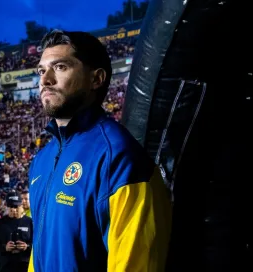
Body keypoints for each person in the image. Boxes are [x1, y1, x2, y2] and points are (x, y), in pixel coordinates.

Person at [27, 30, 172, 272]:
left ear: (96, 79)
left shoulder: (120, 157)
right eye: (42, 71)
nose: (45, 80)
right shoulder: (42, 159)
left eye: (60, 67)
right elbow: (40, 251)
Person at [0, 192, 33, 272]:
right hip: (5, 266)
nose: (13, 209)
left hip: (25, 266)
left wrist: (27, 246)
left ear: (21, 205)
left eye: (16, 206)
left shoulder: (30, 222)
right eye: (10, 206)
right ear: (6, 206)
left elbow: (38, 244)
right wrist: (4, 247)